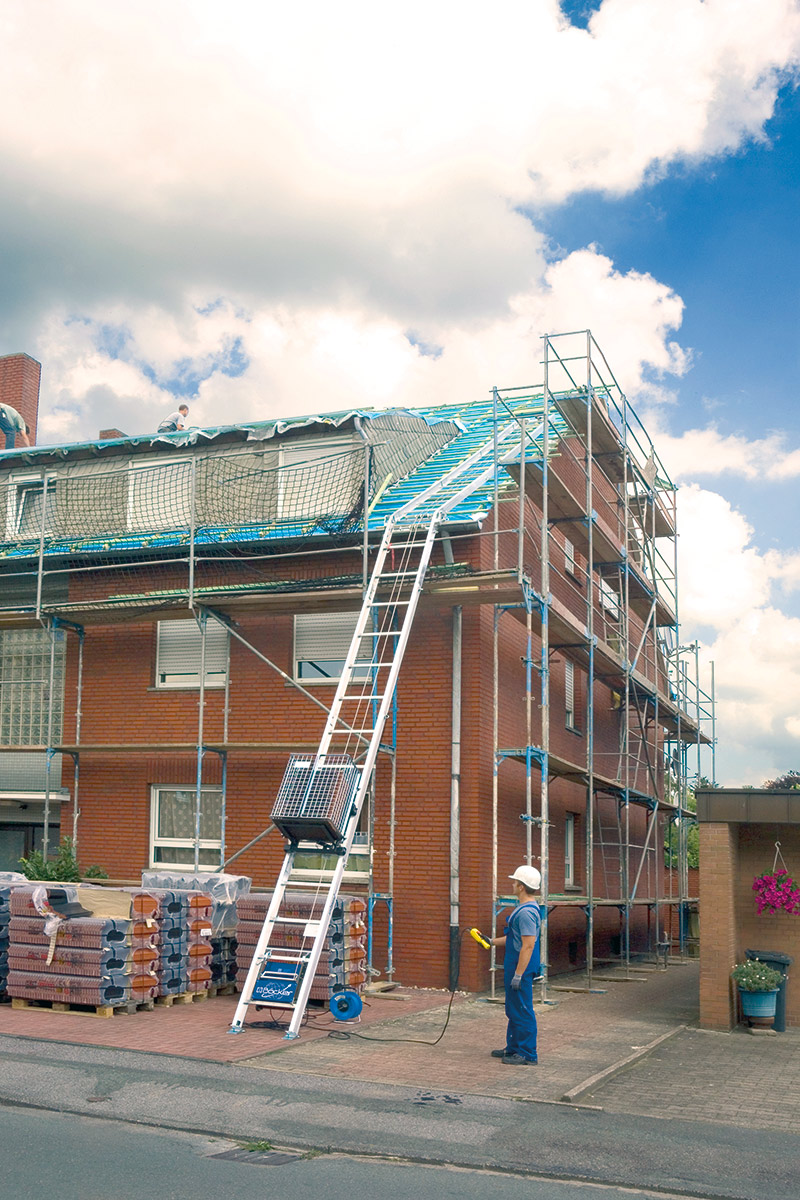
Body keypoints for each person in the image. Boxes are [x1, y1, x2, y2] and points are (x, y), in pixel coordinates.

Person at [490, 864, 542, 1065]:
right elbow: (515, 938)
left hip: (521, 967)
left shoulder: (526, 912)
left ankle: (527, 1054)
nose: (512, 885)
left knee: (522, 1009)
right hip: (516, 965)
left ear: (521, 887)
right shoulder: (523, 909)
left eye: (515, 882)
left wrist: (519, 974)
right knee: (513, 1009)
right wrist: (491, 942)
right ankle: (513, 1048)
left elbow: (528, 945)